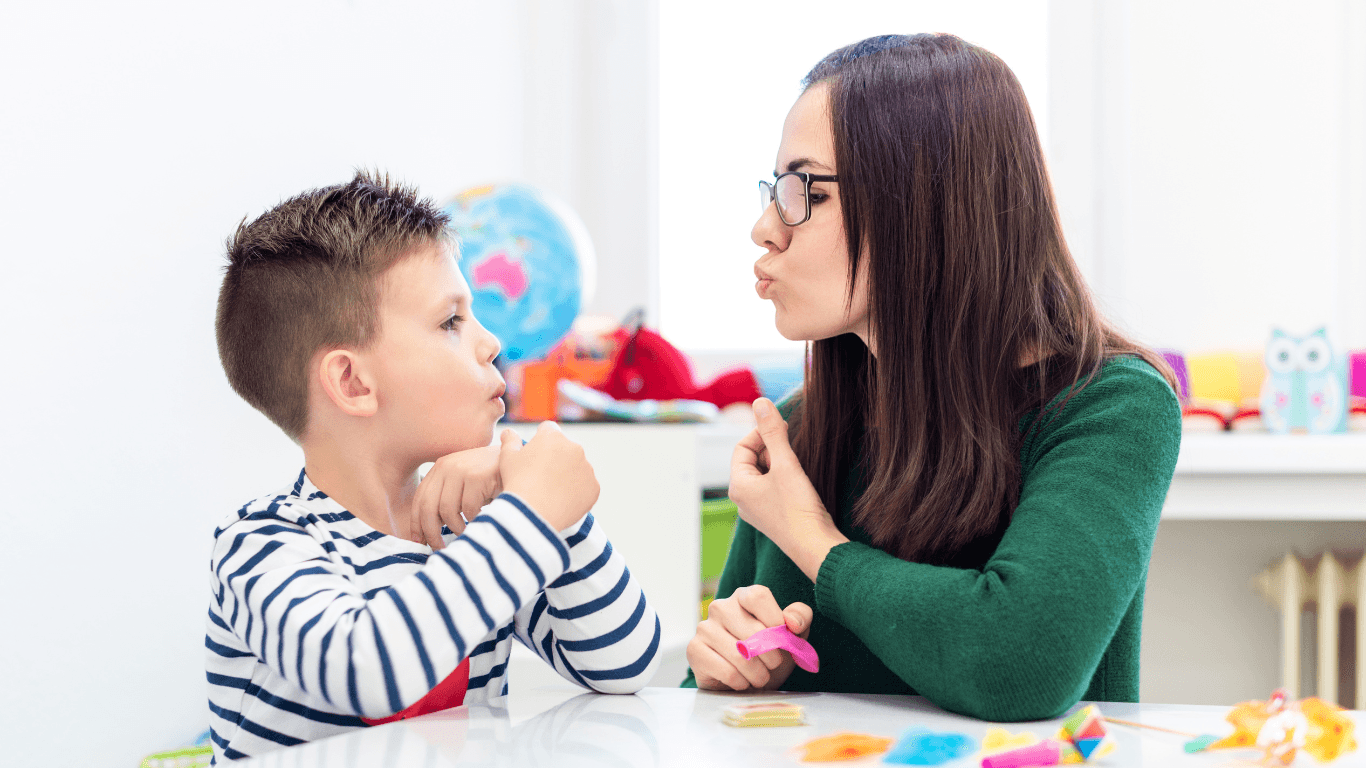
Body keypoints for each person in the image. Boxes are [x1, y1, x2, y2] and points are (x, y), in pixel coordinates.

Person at [683, 34, 1182, 722]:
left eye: (804, 191)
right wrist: (723, 670)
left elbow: (1018, 664)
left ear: (924, 200)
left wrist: (811, 539)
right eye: (775, 190)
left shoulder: (1110, 408)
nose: (765, 227)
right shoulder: (798, 425)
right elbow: (706, 706)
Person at [207, 172, 660, 762]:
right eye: (452, 322)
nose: (492, 341)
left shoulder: (472, 530)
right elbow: (363, 667)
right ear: (353, 381)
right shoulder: (261, 544)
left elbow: (623, 664)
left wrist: (563, 522)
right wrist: (531, 515)